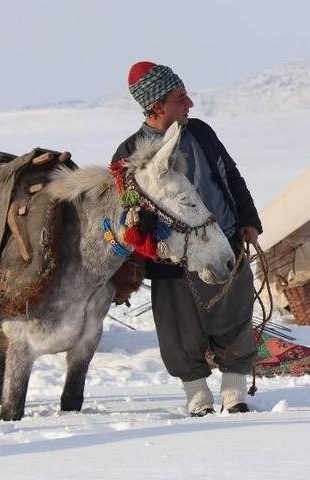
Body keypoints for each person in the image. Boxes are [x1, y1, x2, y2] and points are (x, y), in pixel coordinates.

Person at [112, 61, 263, 416]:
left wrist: (248, 220)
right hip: (173, 262)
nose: (190, 104)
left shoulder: (202, 133)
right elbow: (131, 219)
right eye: (181, 98)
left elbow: (231, 174)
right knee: (181, 331)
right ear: (157, 106)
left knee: (236, 314)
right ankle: (198, 397)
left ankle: (235, 394)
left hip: (225, 240)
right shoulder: (129, 155)